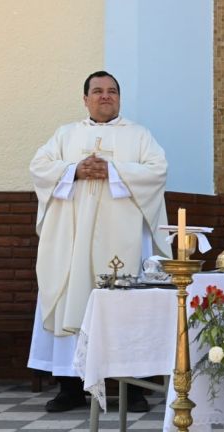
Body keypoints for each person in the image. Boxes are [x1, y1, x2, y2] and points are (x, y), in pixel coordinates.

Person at [28, 71, 171, 412]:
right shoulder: (66, 134)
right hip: (72, 240)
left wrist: (114, 171)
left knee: (127, 305)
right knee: (70, 298)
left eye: (112, 91)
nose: (105, 96)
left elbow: (157, 170)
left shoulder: (139, 135)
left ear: (119, 98)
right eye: (97, 91)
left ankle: (132, 389)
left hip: (123, 237)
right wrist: (74, 170)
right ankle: (70, 386)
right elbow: (39, 167)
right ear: (85, 99)